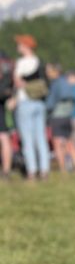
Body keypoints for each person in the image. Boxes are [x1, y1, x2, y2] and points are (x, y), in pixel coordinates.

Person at [12, 34, 51, 181]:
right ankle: (44, 170)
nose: (18, 47)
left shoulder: (21, 62)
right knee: (41, 137)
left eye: (20, 44)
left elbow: (17, 83)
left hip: (25, 102)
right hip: (39, 102)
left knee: (27, 139)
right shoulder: (39, 62)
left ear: (25, 46)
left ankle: (32, 171)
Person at [45, 63, 75, 173]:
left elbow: (50, 103)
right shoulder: (67, 83)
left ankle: (62, 168)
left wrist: (44, 109)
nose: (47, 73)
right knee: (68, 140)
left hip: (57, 116)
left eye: (49, 71)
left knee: (57, 143)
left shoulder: (55, 84)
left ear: (56, 72)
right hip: (68, 116)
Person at [0, 50, 14, 179]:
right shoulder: (9, 72)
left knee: (4, 138)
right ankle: (6, 170)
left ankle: (6, 170)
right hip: (3, 108)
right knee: (4, 138)